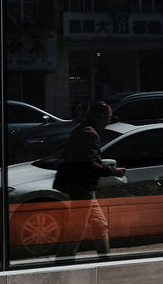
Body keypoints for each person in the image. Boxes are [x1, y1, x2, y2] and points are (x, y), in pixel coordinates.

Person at [52, 101, 126, 260]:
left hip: (78, 186)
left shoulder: (81, 130)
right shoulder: (90, 134)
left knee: (99, 226)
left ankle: (104, 261)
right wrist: (113, 171)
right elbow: (88, 164)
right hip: (83, 188)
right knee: (77, 230)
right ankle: (63, 263)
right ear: (100, 117)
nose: (109, 120)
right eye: (108, 117)